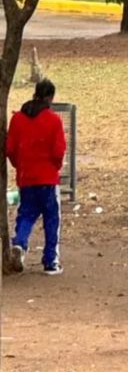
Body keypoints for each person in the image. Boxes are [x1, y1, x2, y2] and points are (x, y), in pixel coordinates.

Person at [5, 78, 66, 275]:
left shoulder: (17, 119)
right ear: (50, 97)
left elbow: (11, 149)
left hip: (26, 176)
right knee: (51, 218)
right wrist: (54, 168)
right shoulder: (53, 119)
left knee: (26, 214)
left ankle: (19, 243)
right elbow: (58, 151)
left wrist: (20, 166)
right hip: (47, 177)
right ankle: (50, 261)